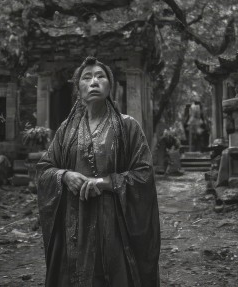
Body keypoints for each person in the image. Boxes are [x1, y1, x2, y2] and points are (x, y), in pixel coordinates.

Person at [36, 57, 161, 287]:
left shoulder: (127, 126)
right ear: (78, 88)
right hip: (73, 223)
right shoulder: (66, 130)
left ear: (109, 86)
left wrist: (105, 182)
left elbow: (144, 174)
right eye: (87, 77)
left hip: (113, 223)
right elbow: (45, 169)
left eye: (100, 76)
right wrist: (64, 175)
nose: (94, 81)